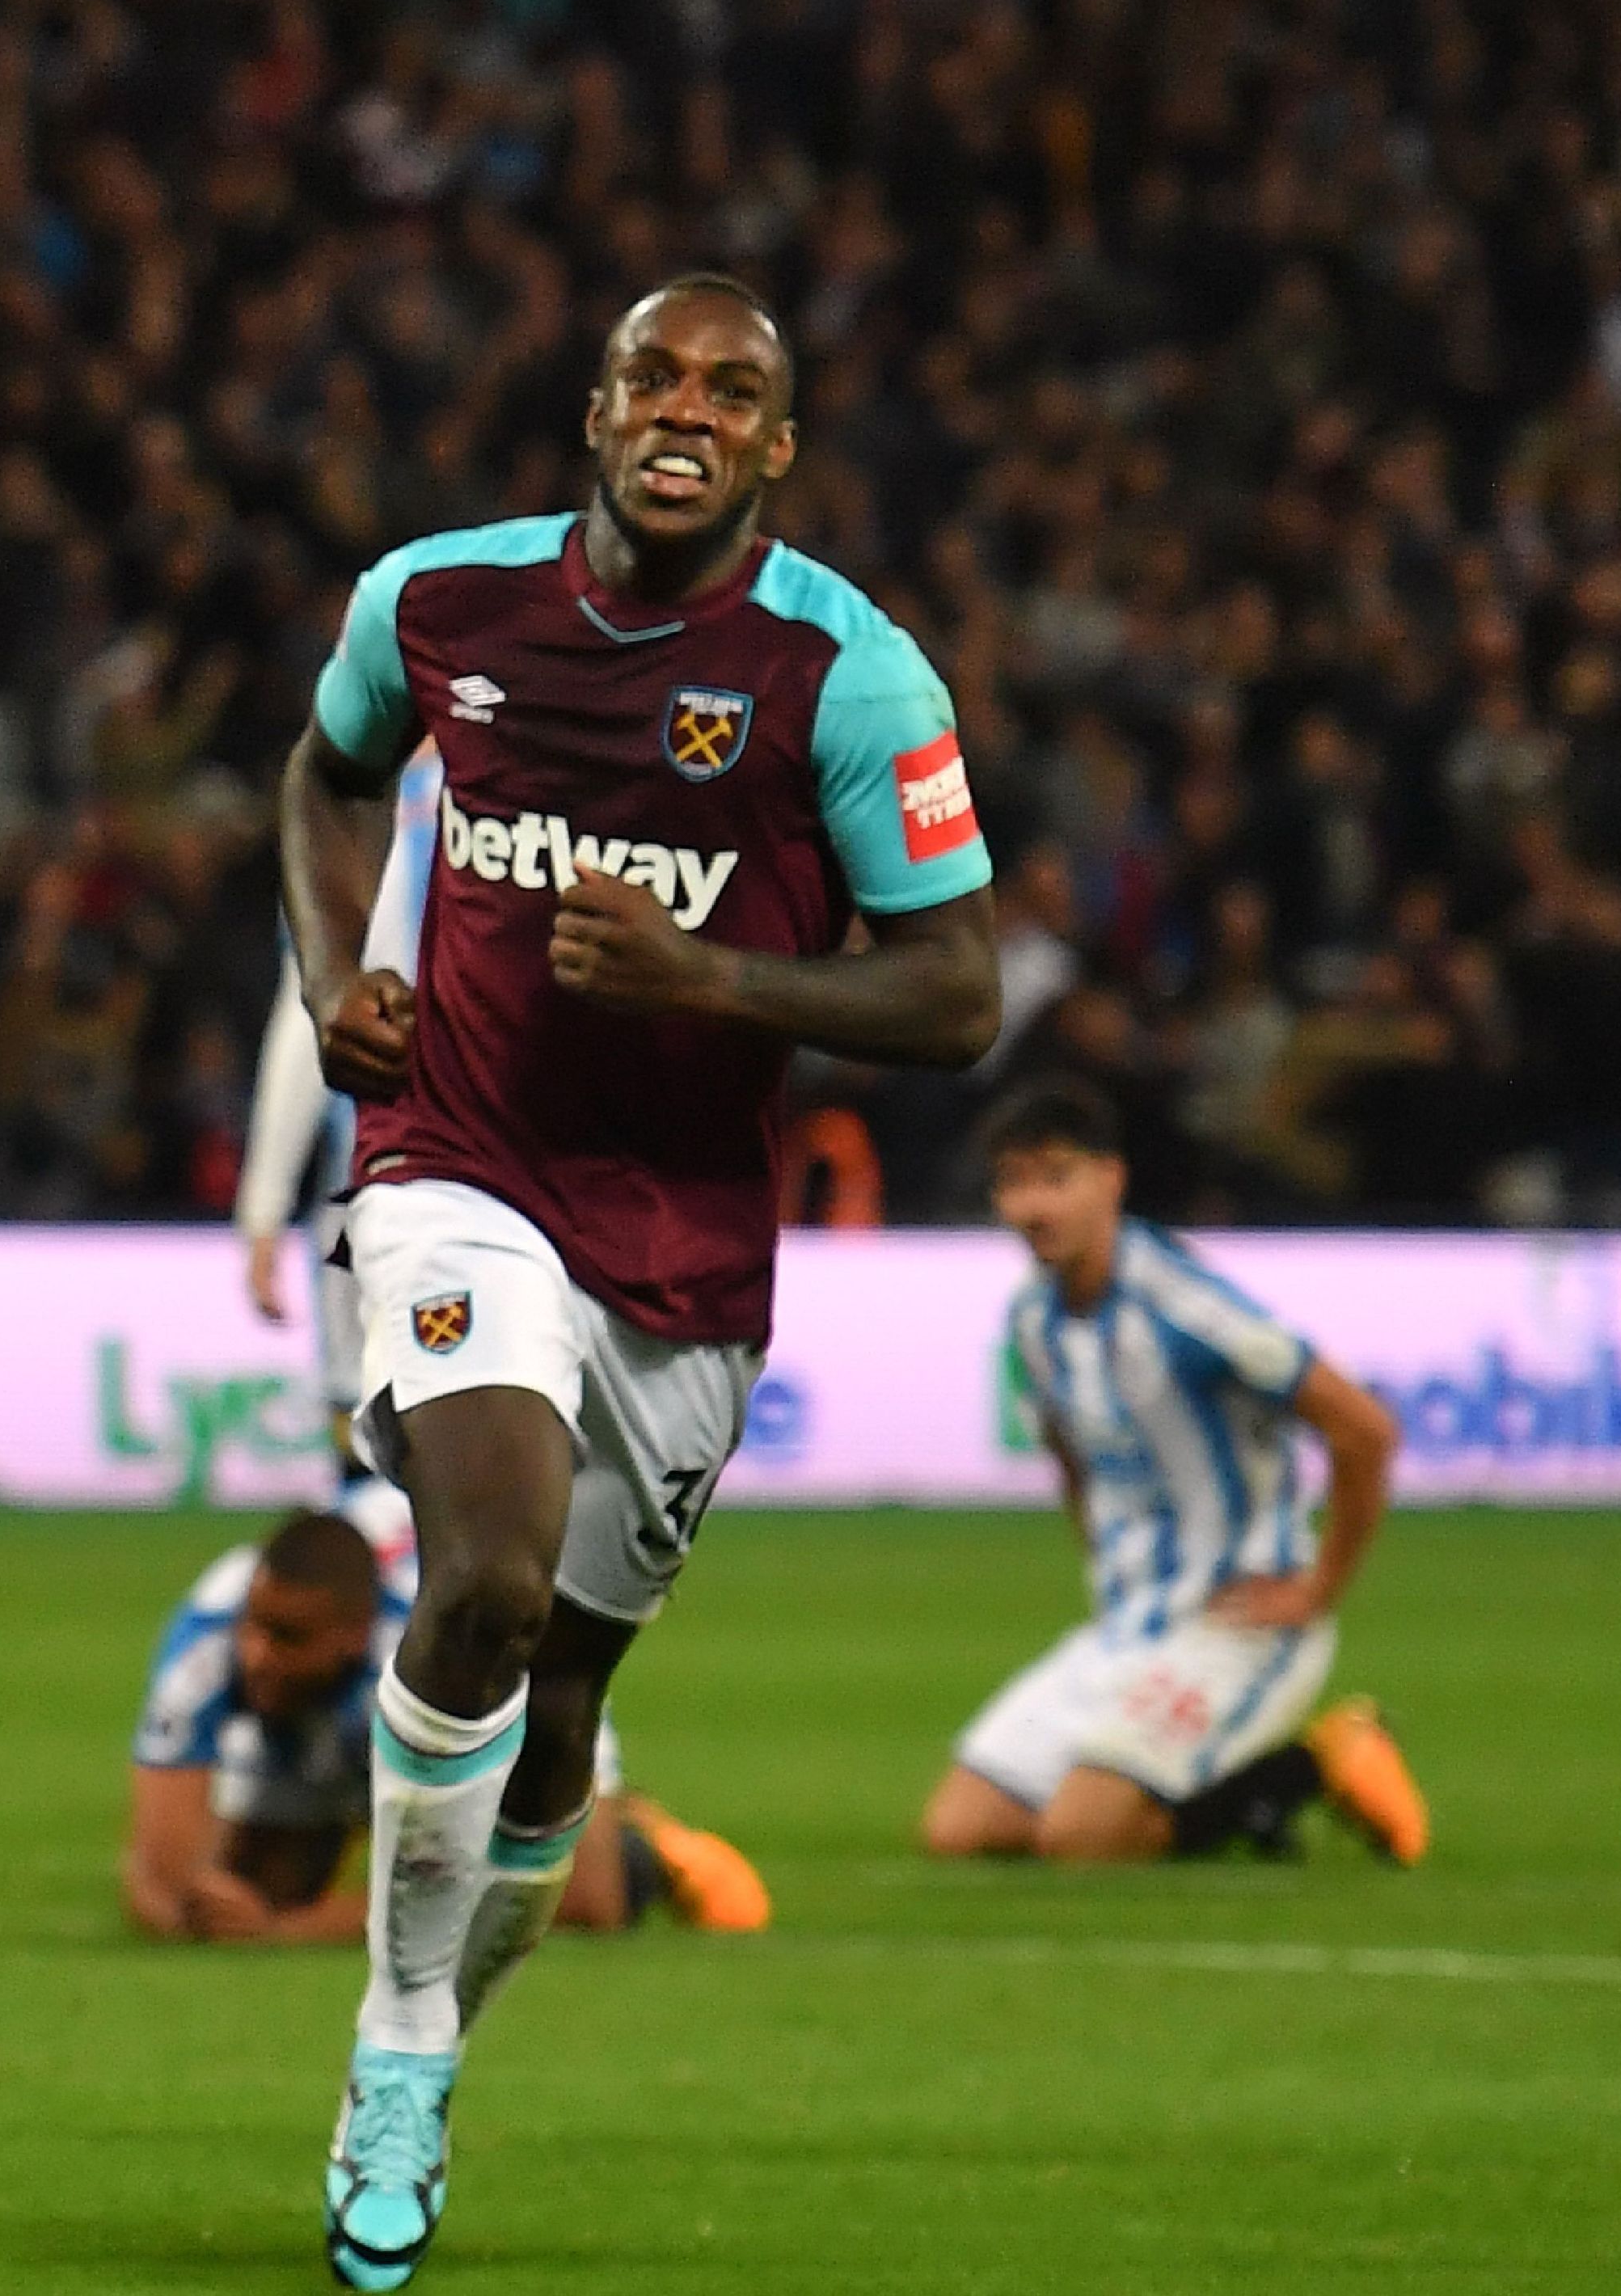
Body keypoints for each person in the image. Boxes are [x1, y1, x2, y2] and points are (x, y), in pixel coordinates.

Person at [278, 274, 1005, 2288]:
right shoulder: (431, 603)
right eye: (651, 373)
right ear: (592, 406)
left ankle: (440, 2008)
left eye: (733, 390)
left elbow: (955, 987)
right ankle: (397, 2050)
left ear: (777, 448)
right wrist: (341, 977)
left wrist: (713, 977)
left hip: (684, 1242)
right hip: (456, 1168)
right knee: (486, 1578)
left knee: (565, 1697)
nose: (684, 408)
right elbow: (329, 775)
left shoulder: (844, 677)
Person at [921, 1078, 1429, 1868]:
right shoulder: (1033, 1319)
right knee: (959, 1831)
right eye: (1013, 1182)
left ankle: (1316, 1761)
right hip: (1128, 1627)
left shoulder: (1187, 1308)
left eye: (1056, 1177)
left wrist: (1316, 1588)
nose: (1031, 1206)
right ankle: (1239, 1794)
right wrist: (1108, 1565)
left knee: (1081, 1837)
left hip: (1236, 1626)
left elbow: (1364, 1429)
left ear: (1111, 1178)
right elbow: (1069, 1455)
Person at [125, 1481, 766, 1945]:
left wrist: (292, 1931)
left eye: (288, 1639)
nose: (257, 1655)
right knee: (250, 1894)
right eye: (254, 1629)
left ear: (354, 1633)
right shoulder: (210, 1633)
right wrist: (203, 1904)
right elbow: (160, 1880)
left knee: (583, 1899)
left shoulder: (459, 1644)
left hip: (518, 1677)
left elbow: (578, 1900)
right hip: (344, 1698)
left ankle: (642, 1842)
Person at [237, 746, 444, 1472]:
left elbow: (304, 1013)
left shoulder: (341, 807)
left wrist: (262, 1209)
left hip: (410, 1185)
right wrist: (263, 1205)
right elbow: (306, 1013)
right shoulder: (346, 802)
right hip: (383, 1187)